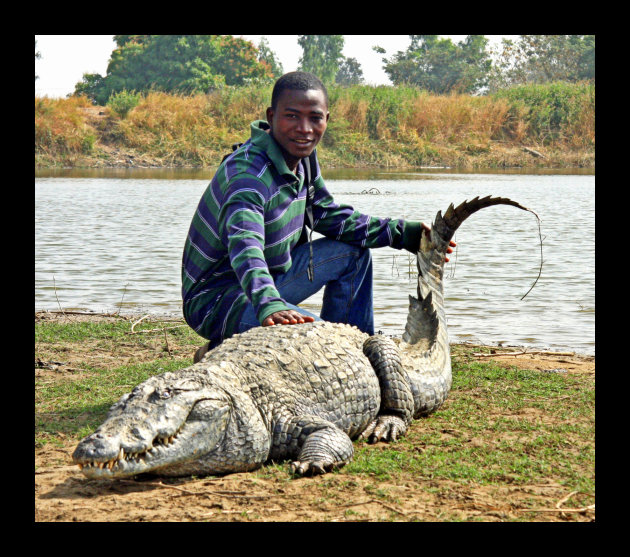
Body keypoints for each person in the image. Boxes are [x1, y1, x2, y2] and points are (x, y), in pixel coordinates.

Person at [182, 71, 454, 361]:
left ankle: (358, 351)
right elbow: (245, 247)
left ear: (327, 119)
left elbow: (329, 216)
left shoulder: (303, 158)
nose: (304, 129)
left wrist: (404, 234)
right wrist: (270, 303)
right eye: (292, 116)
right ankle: (221, 348)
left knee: (353, 254)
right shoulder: (248, 177)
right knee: (324, 341)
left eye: (315, 118)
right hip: (219, 300)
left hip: (272, 278)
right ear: (271, 117)